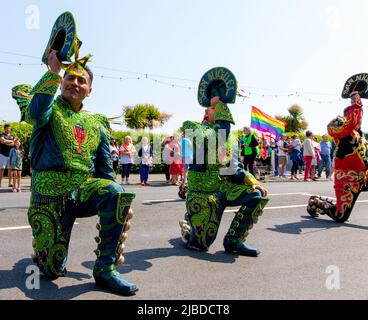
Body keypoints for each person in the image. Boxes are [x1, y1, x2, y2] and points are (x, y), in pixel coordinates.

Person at [11, 49, 138, 295]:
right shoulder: (47, 106)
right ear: (61, 84)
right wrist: (53, 72)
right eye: (70, 78)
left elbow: (104, 169)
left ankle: (105, 269)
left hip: (82, 190)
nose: (75, 83)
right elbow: (35, 114)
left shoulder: (97, 122)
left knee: (115, 191)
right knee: (52, 270)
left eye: (82, 81)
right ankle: (44, 251)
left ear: (90, 91)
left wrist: (113, 198)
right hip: (49, 194)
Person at [179, 67, 269, 257]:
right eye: (215, 108)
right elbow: (217, 137)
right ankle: (190, 226)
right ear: (206, 112)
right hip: (203, 192)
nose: (220, 110)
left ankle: (234, 241)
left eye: (221, 107)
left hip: (223, 187)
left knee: (256, 196)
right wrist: (218, 104)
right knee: (201, 245)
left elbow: (233, 167)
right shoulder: (195, 128)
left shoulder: (232, 136)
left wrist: (251, 181)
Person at [307, 78, 368, 222]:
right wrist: (355, 97)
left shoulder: (360, 134)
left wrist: (357, 98)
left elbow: (356, 116)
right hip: (348, 179)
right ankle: (316, 202)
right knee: (340, 216)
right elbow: (353, 118)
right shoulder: (339, 130)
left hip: (364, 175)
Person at [0, 124, 15, 188]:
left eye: (9, 128)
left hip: (11, 155)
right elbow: (2, 141)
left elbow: (14, 143)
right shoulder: (2, 135)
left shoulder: (13, 136)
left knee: (10, 169)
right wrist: (11, 142)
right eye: (7, 128)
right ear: (5, 129)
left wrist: (6, 142)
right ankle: (0, 183)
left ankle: (10, 183)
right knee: (1, 169)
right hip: (3, 154)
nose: (8, 129)